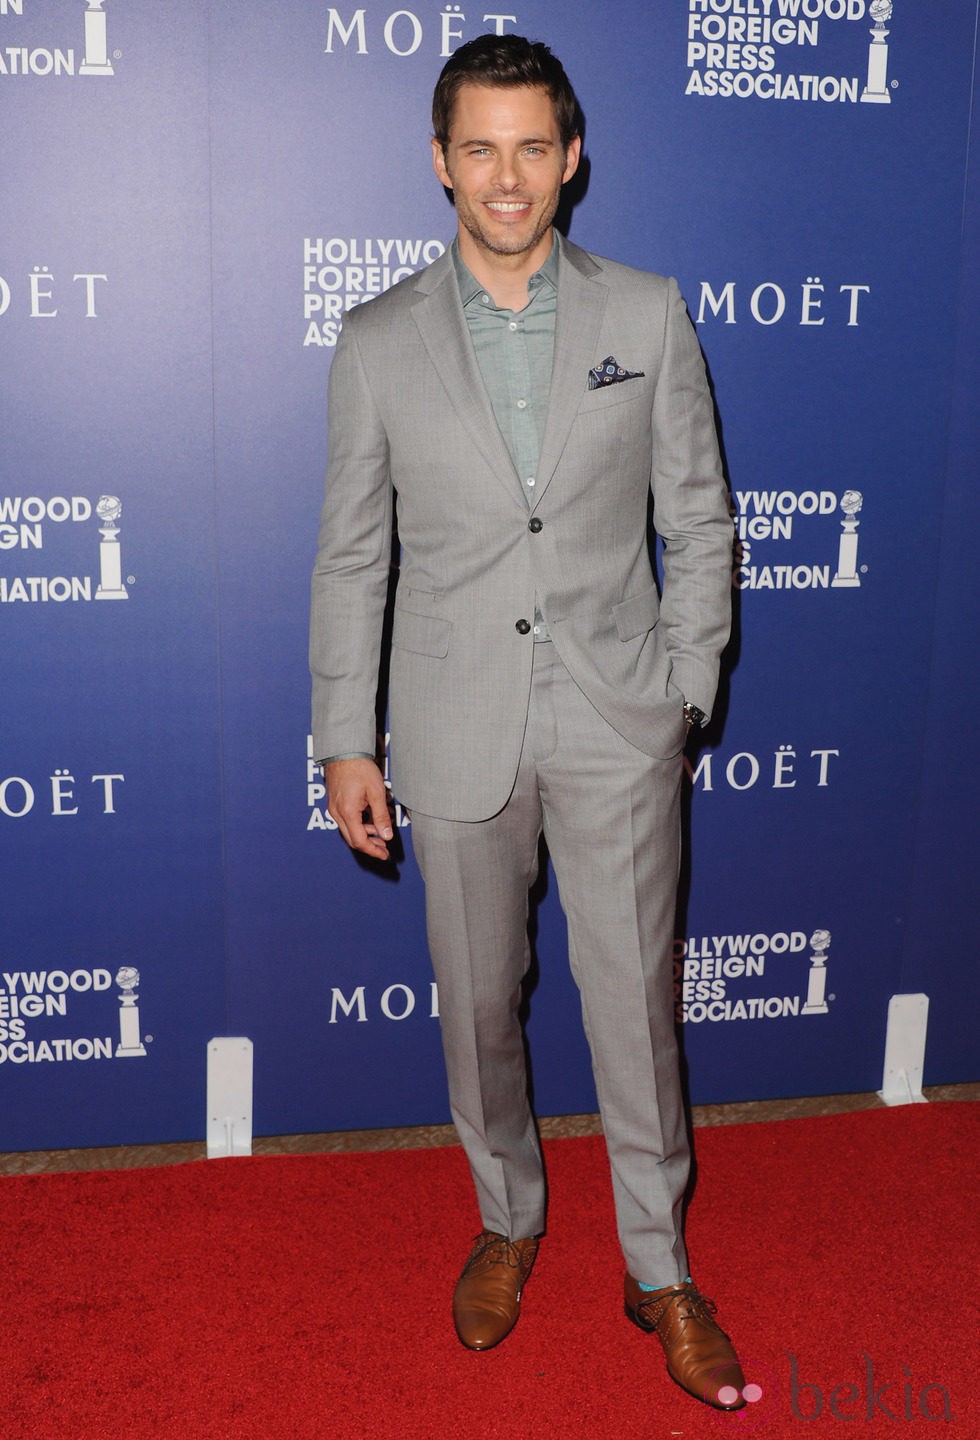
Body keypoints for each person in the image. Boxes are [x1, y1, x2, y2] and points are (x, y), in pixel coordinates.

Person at [310, 33, 745, 1412]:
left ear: (572, 159)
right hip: (450, 729)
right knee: (481, 1009)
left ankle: (659, 1266)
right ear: (443, 163)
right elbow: (352, 557)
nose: (509, 177)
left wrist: (687, 690)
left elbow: (699, 519)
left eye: (533, 147)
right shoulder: (377, 340)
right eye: (480, 149)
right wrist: (346, 736)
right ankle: (508, 1217)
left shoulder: (649, 314)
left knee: (635, 1011)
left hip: (621, 721)